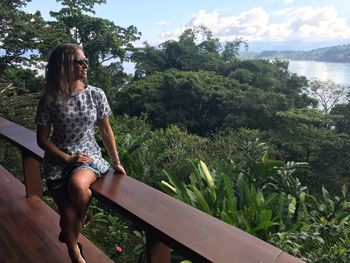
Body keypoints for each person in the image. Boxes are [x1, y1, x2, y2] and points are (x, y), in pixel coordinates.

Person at [35, 43, 126, 263]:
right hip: (58, 160)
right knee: (67, 212)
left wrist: (116, 161)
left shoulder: (95, 94)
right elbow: (42, 139)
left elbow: (105, 130)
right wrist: (66, 158)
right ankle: (74, 251)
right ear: (64, 65)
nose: (86, 65)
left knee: (77, 186)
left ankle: (76, 226)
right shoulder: (49, 99)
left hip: (87, 155)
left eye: (86, 60)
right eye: (80, 61)